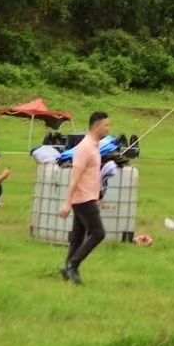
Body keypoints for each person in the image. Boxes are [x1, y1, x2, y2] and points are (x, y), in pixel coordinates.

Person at [59, 111, 110, 284]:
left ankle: (67, 268)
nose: (108, 128)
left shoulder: (95, 146)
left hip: (88, 197)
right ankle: (73, 265)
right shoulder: (85, 147)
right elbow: (75, 176)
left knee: (78, 236)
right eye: (106, 125)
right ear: (96, 126)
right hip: (83, 199)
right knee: (98, 233)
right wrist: (67, 202)